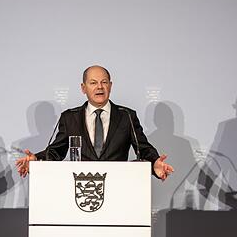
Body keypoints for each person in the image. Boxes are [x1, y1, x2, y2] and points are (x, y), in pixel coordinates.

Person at [15, 65, 174, 180]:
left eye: (104, 82)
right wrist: (36, 161)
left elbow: (143, 148)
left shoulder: (126, 116)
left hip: (118, 185)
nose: (100, 87)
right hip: (81, 186)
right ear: (83, 88)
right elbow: (56, 151)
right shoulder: (70, 118)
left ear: (110, 86)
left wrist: (154, 164)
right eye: (93, 83)